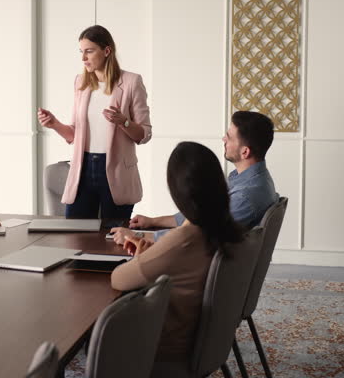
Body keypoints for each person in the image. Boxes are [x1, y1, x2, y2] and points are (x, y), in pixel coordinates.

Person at [111, 141, 244, 368]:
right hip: (204, 342)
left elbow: (119, 278)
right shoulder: (228, 231)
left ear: (178, 191)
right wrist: (152, 255)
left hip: (166, 350)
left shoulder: (182, 239)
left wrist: (142, 258)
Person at [37, 25, 152, 227]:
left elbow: (144, 134)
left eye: (89, 51)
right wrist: (54, 124)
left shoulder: (132, 82)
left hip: (116, 171)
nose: (83, 58)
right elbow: (74, 135)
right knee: (75, 235)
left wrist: (123, 122)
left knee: (113, 238)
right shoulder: (81, 82)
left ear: (107, 51)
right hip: (83, 168)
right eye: (81, 52)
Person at [111, 110, 278, 245]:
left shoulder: (246, 196)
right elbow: (202, 215)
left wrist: (137, 235)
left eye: (229, 136)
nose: (223, 139)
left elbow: (197, 235)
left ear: (245, 152)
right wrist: (153, 221)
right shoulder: (252, 179)